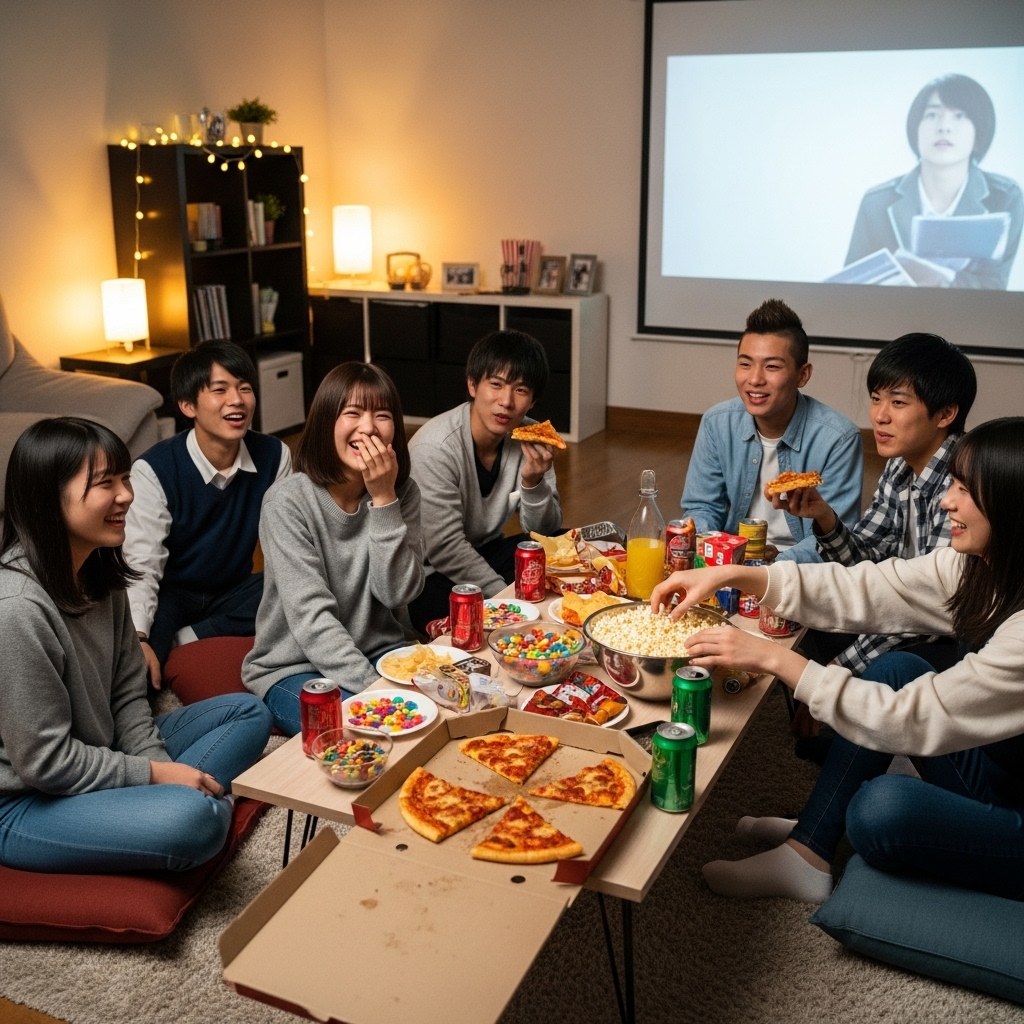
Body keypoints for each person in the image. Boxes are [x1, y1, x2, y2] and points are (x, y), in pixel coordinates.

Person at [651, 417, 1024, 904]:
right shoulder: (982, 566)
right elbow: (870, 587)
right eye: (951, 483)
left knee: (880, 807)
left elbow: (911, 720)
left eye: (965, 490)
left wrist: (776, 661)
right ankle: (810, 844)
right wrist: (739, 575)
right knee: (896, 670)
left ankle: (830, 824)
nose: (947, 501)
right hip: (999, 767)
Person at [0, 418, 272, 873]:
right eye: (105, 484)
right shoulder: (17, 609)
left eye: (125, 478)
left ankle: (180, 803)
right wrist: (159, 777)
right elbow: (45, 764)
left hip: (102, 753)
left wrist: (155, 768)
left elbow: (128, 694)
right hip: (29, 800)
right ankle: (200, 808)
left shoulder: (98, 571)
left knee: (249, 713)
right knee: (194, 822)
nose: (127, 495)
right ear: (49, 499)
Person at [242, 363, 424, 736]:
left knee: (451, 707)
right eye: (352, 413)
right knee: (366, 733)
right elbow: (313, 621)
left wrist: (384, 500)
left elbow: (398, 594)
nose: (369, 427)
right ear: (327, 424)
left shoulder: (402, 492)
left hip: (380, 652)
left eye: (382, 415)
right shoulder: (287, 503)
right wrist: (378, 693)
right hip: (295, 668)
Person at [782, 333, 977, 675]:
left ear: (945, 414)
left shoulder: (963, 482)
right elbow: (864, 560)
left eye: (898, 403)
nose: (879, 416)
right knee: (812, 616)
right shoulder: (900, 466)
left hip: (954, 636)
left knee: (888, 667)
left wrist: (839, 669)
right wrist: (824, 517)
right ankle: (826, 719)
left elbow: (928, 607)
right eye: (876, 399)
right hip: (908, 610)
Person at [123, 341, 291, 688]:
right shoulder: (154, 470)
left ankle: (191, 638)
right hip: (173, 593)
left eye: (245, 388)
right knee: (138, 668)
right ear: (188, 405)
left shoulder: (275, 455)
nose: (237, 400)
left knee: (297, 585)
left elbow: (288, 548)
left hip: (234, 589)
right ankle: (178, 640)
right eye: (220, 390)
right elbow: (142, 565)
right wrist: (139, 637)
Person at [680, 299, 863, 563]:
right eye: (745, 364)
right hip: (733, 560)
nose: (754, 379)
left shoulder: (838, 438)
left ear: (803, 375)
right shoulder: (717, 423)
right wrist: (716, 550)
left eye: (772, 366)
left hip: (803, 568)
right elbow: (702, 506)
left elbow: (838, 536)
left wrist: (772, 566)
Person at [407, 329, 562, 631]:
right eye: (496, 384)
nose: (506, 402)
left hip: (486, 551)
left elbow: (545, 532)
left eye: (520, 390)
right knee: (465, 615)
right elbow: (445, 548)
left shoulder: (532, 437)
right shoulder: (435, 447)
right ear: (472, 385)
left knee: (556, 546)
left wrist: (533, 483)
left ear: (531, 401)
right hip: (430, 575)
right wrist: (505, 598)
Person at [845, 74, 1023, 290]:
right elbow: (852, 288)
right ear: (915, 130)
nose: (944, 126)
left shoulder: (1005, 197)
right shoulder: (877, 201)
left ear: (979, 134)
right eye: (932, 115)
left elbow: (994, 285)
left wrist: (943, 279)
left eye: (959, 115)